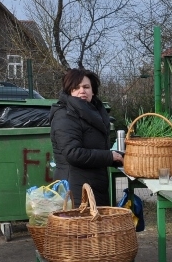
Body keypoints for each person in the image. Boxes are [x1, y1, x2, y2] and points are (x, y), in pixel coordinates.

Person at [49, 68, 122, 207]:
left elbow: (96, 148)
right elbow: (73, 153)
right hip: (75, 190)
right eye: (76, 87)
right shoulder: (65, 115)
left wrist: (117, 158)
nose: (82, 91)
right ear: (69, 91)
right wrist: (109, 156)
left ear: (93, 90)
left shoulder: (95, 113)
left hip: (94, 186)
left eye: (86, 87)